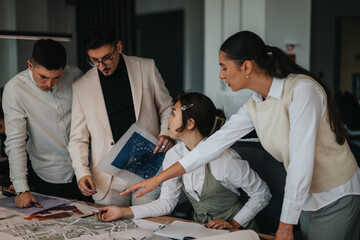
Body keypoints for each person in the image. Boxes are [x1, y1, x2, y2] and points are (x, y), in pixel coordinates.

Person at [122, 31, 360, 240]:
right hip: (307, 195)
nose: (221, 75)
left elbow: (300, 162)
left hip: (336, 192)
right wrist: (157, 179)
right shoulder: (255, 103)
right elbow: (212, 145)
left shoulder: (302, 91)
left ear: (246, 66)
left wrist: (285, 225)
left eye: (224, 67)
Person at [94, 92, 271, 230]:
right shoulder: (174, 155)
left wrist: (234, 223)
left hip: (238, 232)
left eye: (173, 114)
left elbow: (262, 193)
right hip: (202, 231)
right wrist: (123, 212)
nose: (168, 120)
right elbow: (166, 203)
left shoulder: (225, 159)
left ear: (190, 123)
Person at [68, 23, 173, 206]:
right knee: (111, 233)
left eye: (107, 58)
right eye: (94, 60)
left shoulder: (146, 67)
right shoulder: (81, 87)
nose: (101, 66)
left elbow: (166, 107)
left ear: (119, 47)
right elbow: (78, 138)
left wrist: (166, 132)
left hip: (147, 166)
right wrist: (82, 172)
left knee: (148, 228)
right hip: (107, 177)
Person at [3, 39, 85, 208]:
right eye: (43, 77)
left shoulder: (76, 75)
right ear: (30, 65)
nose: (49, 84)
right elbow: (15, 141)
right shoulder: (15, 89)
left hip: (86, 171)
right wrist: (21, 189)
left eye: (56, 78)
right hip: (48, 175)